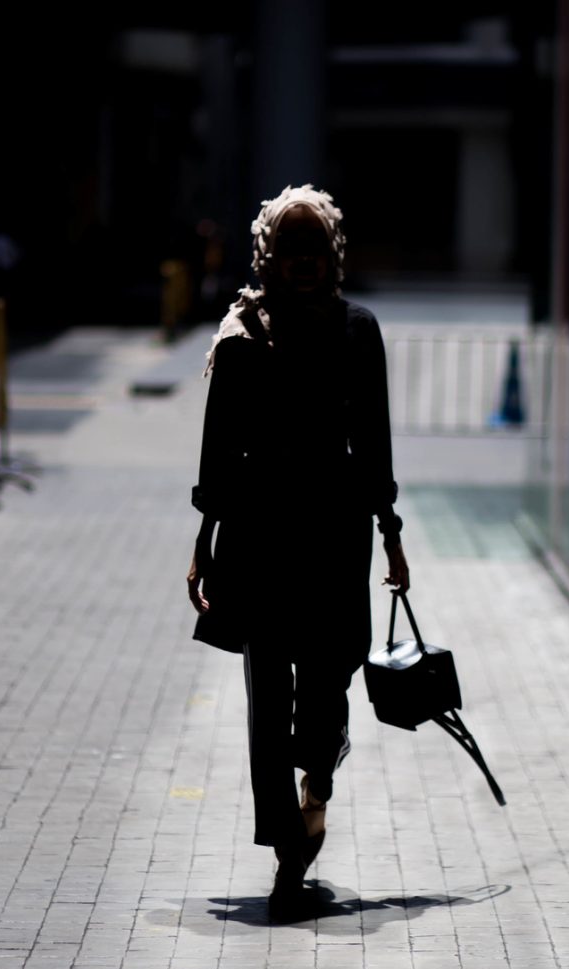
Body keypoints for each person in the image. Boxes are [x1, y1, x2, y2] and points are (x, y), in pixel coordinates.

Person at [186, 185, 410, 917]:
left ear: (333, 255)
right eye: (290, 248)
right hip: (257, 528)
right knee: (265, 694)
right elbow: (218, 446)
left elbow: (373, 440)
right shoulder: (242, 333)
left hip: (335, 528)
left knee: (325, 680)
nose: (304, 261)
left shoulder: (358, 329)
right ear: (269, 256)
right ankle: (286, 844)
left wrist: (391, 534)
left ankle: (318, 780)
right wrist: (203, 540)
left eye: (315, 248)